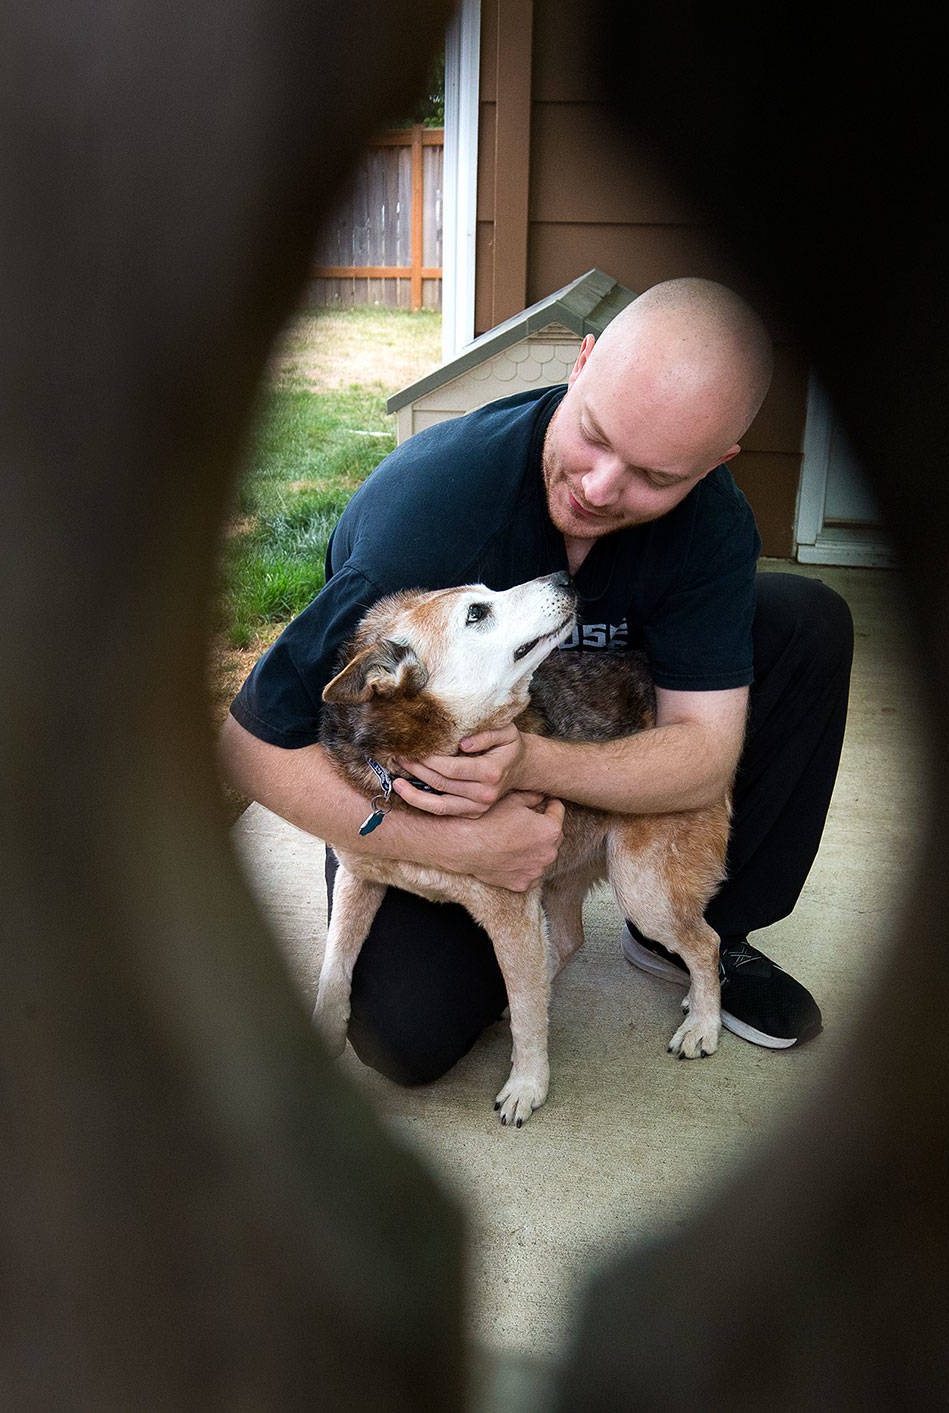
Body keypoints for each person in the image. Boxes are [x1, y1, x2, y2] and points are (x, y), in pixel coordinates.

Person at [217, 277, 854, 1086]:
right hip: (424, 779)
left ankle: (703, 932)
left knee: (805, 622)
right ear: (580, 363)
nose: (598, 489)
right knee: (405, 1033)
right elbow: (250, 746)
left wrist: (527, 766)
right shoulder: (425, 517)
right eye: (595, 435)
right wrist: (452, 843)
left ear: (715, 464)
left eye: (654, 477)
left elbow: (706, 751)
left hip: (576, 728)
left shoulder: (714, 525)